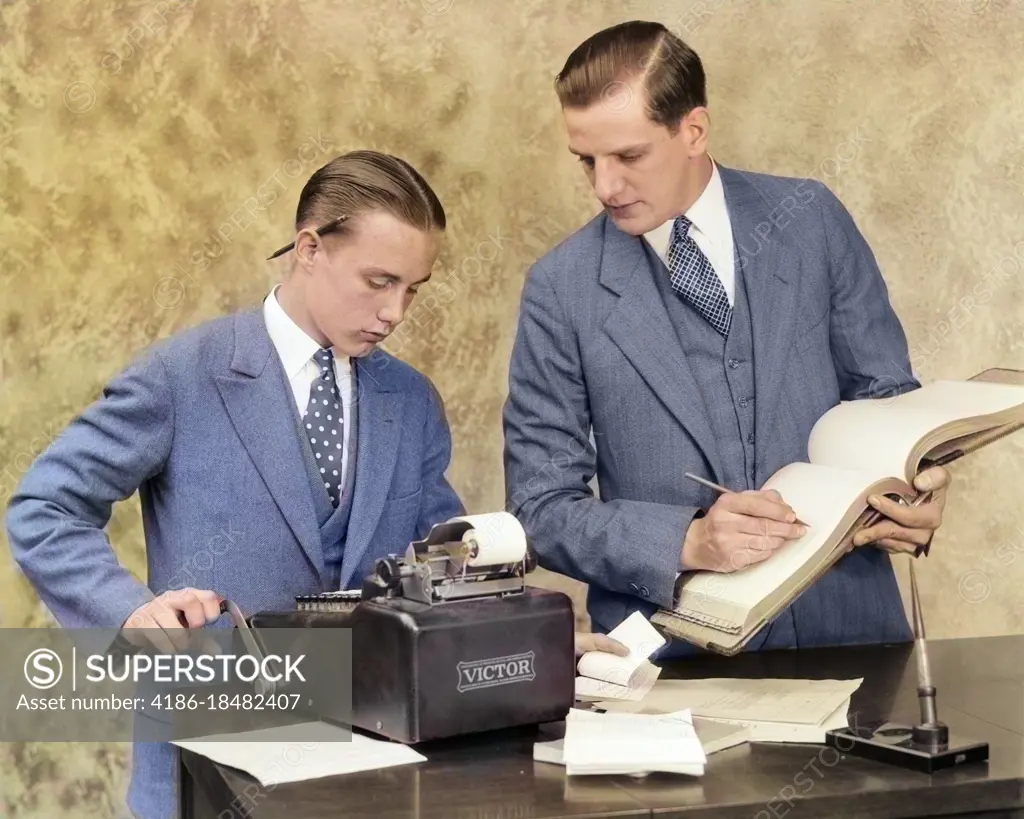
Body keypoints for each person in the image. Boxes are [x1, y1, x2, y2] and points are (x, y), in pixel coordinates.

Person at [5, 150, 466, 819]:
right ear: (310, 248)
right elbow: (44, 507)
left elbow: (446, 562)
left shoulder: (412, 400)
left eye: (413, 289)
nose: (395, 311)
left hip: (376, 774)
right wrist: (132, 613)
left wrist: (531, 632)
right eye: (379, 280)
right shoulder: (182, 374)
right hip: (204, 775)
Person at [502, 21, 950, 658]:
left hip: (856, 640)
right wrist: (685, 542)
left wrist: (919, 488)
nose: (605, 186)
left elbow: (887, 401)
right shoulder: (559, 289)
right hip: (669, 669)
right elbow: (541, 508)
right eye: (587, 160)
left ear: (694, 130)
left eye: (628, 156)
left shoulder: (811, 219)